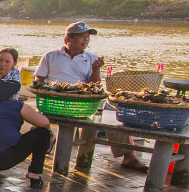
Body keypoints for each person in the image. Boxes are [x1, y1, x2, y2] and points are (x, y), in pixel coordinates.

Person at [35, 21, 147, 171]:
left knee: (114, 116)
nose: (86, 40)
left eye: (87, 37)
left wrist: (95, 69)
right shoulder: (51, 56)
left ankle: (129, 156)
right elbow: (39, 80)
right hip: (55, 101)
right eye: (82, 37)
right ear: (67, 39)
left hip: (82, 102)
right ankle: (45, 140)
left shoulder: (92, 59)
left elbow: (93, 86)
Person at [0, 76, 52, 188]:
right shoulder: (15, 105)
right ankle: (34, 174)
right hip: (2, 159)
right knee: (43, 133)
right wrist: (50, 133)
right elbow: (44, 122)